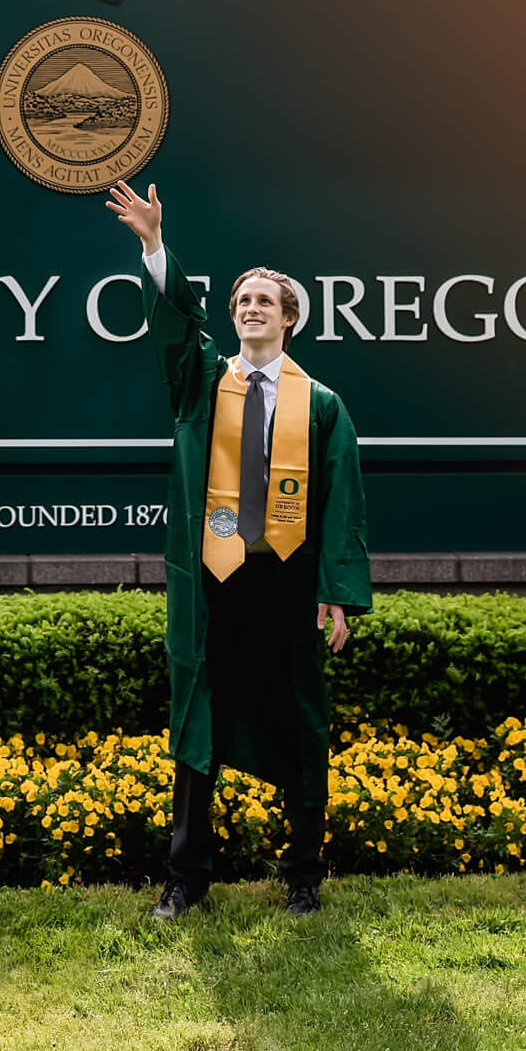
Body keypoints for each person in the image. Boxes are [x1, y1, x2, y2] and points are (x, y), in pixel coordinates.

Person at [106, 178, 371, 918]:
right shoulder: (201, 384)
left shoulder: (319, 404)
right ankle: (187, 877)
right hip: (214, 578)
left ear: (290, 320)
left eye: (264, 301)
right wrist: (154, 246)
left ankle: (304, 877)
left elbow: (344, 501)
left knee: (299, 718)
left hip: (285, 583)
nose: (250, 307)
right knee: (197, 714)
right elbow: (175, 322)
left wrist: (339, 593)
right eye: (241, 301)